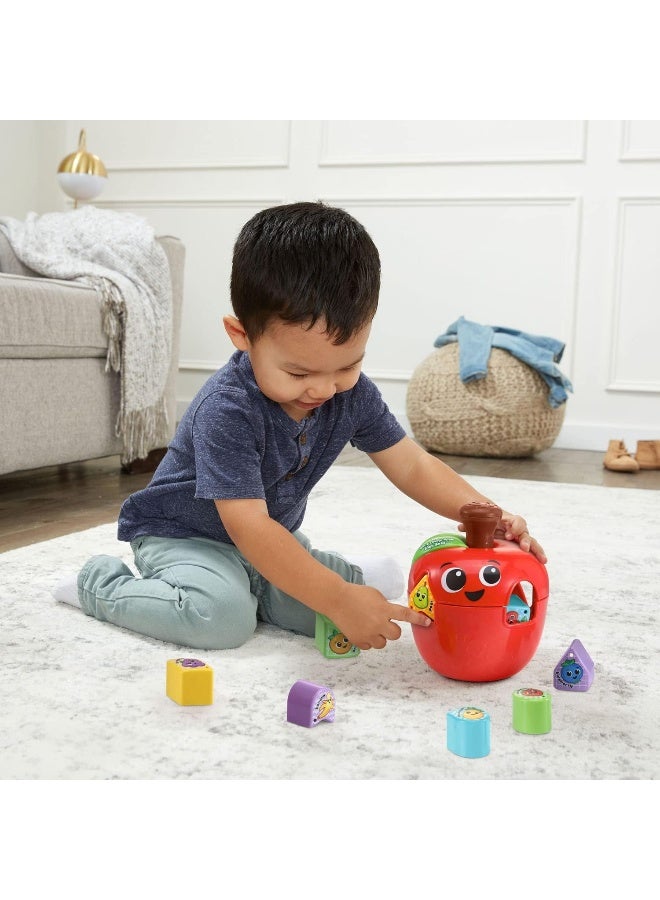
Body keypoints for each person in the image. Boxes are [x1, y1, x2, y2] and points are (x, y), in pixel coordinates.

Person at [53, 202, 546, 652]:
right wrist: (338, 597)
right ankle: (100, 586)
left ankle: (319, 582)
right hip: (186, 538)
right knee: (222, 620)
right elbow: (248, 527)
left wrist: (487, 514)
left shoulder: (351, 392)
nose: (325, 389)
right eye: (298, 373)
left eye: (347, 365)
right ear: (242, 336)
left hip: (270, 543)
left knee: (325, 606)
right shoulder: (226, 410)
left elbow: (413, 465)